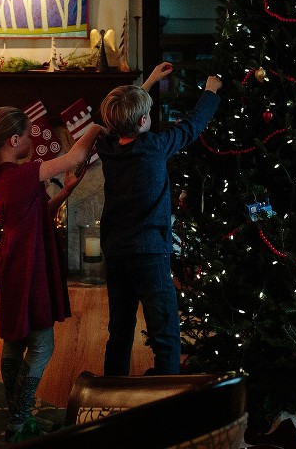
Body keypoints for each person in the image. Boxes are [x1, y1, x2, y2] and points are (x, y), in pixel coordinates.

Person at [0, 106, 103, 442]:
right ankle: (19, 418)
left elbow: (35, 214)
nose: (32, 141)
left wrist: (65, 192)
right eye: (28, 135)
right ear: (14, 141)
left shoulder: (2, 178)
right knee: (42, 345)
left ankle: (18, 417)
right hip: (28, 264)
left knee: (16, 340)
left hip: (15, 262)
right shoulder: (22, 174)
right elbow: (75, 157)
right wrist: (97, 127)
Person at [97, 62, 223, 376]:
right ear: (143, 120)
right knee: (165, 331)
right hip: (150, 252)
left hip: (116, 252)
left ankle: (111, 391)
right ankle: (167, 394)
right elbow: (192, 126)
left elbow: (121, 117)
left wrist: (150, 81)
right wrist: (211, 92)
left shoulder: (107, 147)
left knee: (119, 329)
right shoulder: (154, 146)